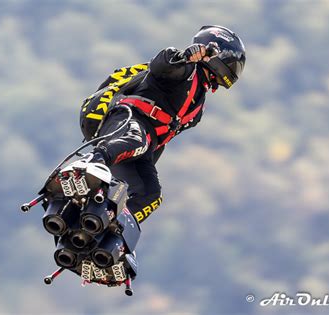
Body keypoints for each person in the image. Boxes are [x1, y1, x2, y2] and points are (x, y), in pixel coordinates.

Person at [79, 25, 246, 224]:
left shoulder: (197, 110)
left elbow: (160, 140)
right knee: (135, 138)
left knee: (152, 196)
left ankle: (109, 229)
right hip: (126, 121)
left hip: (142, 147)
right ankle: (90, 164)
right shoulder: (185, 69)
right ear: (220, 55)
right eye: (234, 64)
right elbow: (160, 65)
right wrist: (185, 57)